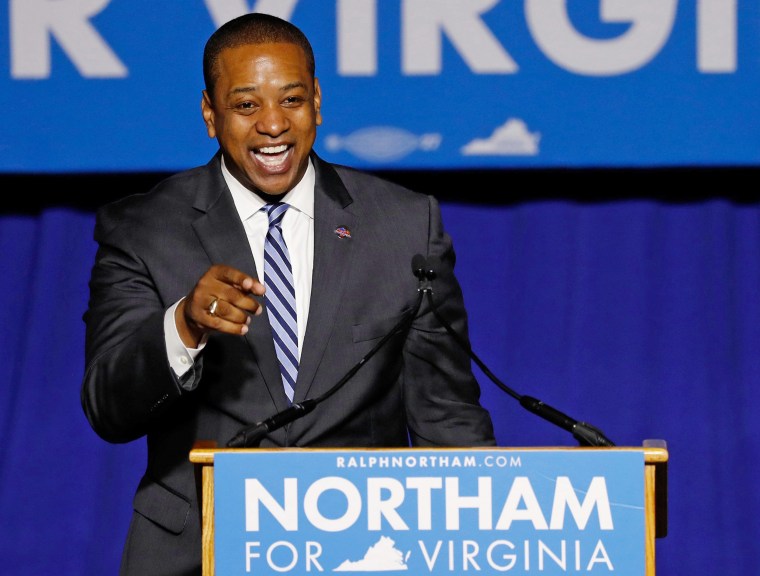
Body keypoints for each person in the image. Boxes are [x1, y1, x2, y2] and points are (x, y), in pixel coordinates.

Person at [81, 11, 496, 576]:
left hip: (366, 552)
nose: (272, 125)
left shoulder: (403, 225)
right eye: (246, 105)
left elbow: (448, 423)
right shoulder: (145, 228)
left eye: (292, 100)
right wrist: (184, 327)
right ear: (210, 113)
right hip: (197, 551)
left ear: (317, 102)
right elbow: (109, 408)